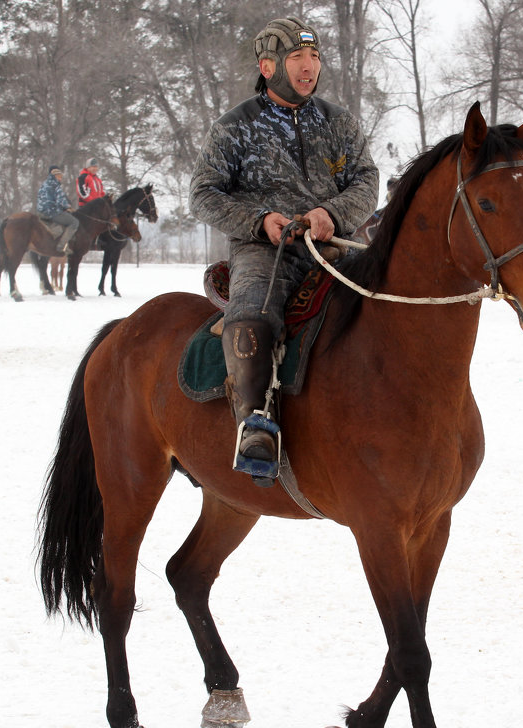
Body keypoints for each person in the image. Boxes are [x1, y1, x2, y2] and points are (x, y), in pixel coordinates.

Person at [189, 15, 378, 481]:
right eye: (297, 56)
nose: (309, 66)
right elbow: (203, 193)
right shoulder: (234, 126)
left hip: (334, 242)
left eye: (314, 56)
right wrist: (260, 222)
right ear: (268, 65)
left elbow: (367, 179)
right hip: (264, 250)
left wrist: (330, 214)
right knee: (252, 311)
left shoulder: (338, 121)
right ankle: (255, 424)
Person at [37, 165, 79, 254]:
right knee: (74, 222)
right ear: (54, 176)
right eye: (59, 176)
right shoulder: (55, 185)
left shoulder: (44, 184)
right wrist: (68, 207)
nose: (60, 178)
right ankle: (62, 246)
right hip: (52, 212)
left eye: (61, 177)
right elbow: (61, 200)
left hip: (41, 211)